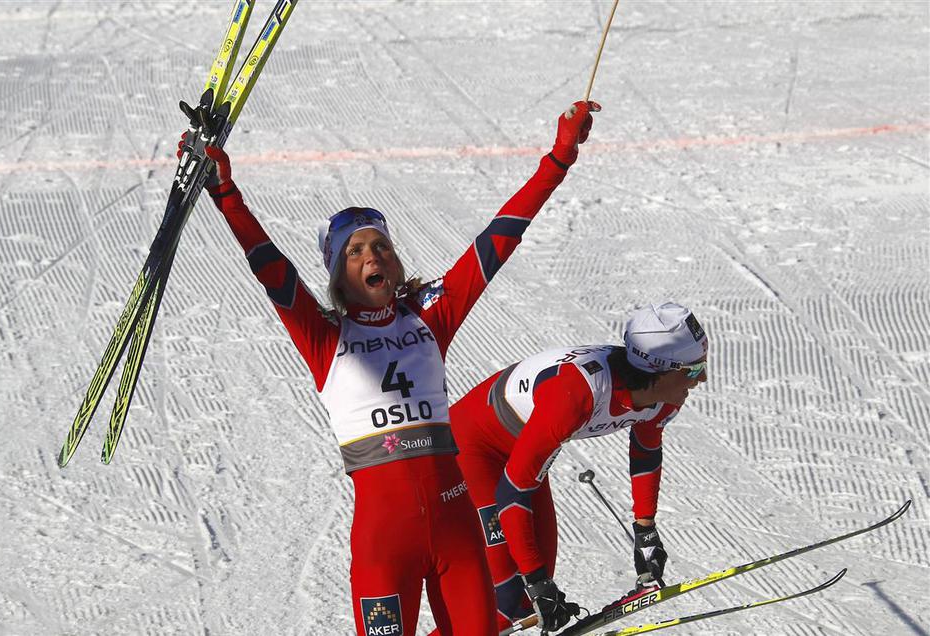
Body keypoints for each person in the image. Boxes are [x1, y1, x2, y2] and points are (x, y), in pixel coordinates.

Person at [183, 101, 600, 636]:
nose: (372, 256)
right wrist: (226, 194)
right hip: (385, 544)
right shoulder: (325, 337)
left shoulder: (430, 317)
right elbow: (271, 269)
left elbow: (500, 237)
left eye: (380, 245)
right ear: (338, 274)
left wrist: (560, 156)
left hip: (457, 533)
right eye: (355, 251)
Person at [448, 302, 709, 633]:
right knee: (506, 597)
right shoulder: (576, 394)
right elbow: (512, 492)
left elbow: (645, 451)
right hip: (471, 450)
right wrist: (536, 580)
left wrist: (646, 531)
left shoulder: (662, 397)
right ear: (658, 370)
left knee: (529, 597)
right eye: (693, 371)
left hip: (522, 455)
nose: (703, 379)